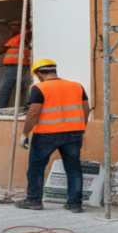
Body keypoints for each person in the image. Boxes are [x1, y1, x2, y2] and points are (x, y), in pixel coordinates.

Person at [15, 59, 90, 213]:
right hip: (74, 133)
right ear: (54, 70)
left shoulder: (39, 88)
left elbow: (34, 112)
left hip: (46, 135)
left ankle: (34, 200)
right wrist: (82, 128)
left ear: (39, 73)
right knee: (73, 167)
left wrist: (25, 133)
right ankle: (75, 204)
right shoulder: (76, 86)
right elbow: (86, 109)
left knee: (36, 167)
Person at [0, 19, 32, 108]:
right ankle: (4, 108)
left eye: (12, 28)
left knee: (4, 88)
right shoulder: (14, 38)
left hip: (20, 66)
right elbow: (4, 47)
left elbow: (4, 47)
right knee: (9, 88)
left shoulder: (26, 34)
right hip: (13, 67)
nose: (9, 30)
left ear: (19, 27)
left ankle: (2, 109)